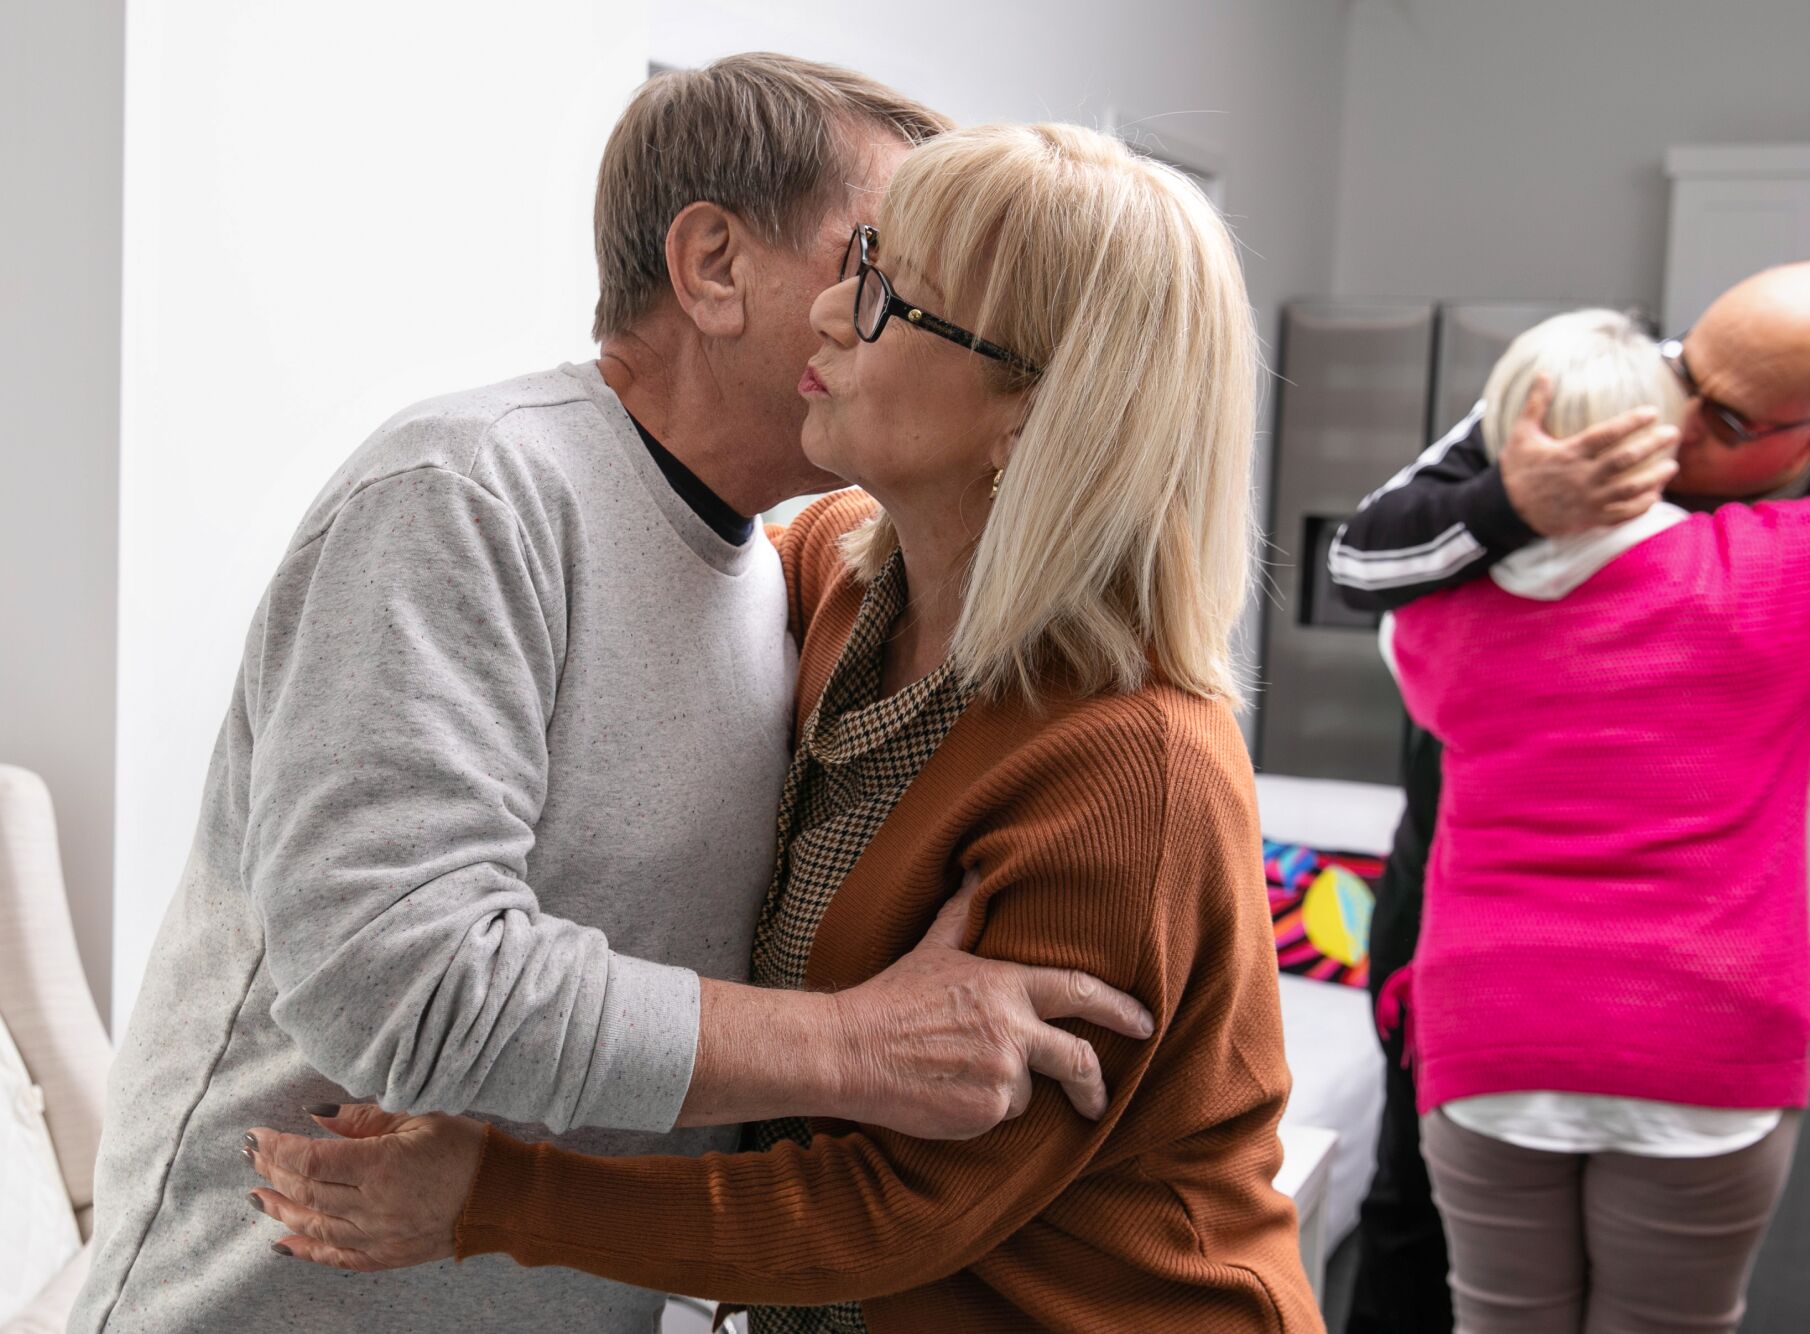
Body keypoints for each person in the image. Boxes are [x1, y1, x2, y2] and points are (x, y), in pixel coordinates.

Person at [73, 58, 1156, 1334]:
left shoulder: (786, 573)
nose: (878, 314)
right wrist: (854, 1044)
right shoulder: (466, 494)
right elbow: (402, 984)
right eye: (870, 262)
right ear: (709, 266)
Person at [242, 120, 1324, 1332]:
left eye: (884, 295)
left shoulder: (1132, 770)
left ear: (1029, 410)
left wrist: (491, 1192)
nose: (827, 312)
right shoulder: (834, 583)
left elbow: (899, 1204)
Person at [1329, 262, 1810, 1334]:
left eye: (1722, 412)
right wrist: (1508, 499)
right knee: (1409, 1233)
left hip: (1564, 1006)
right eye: (1678, 378)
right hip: (1475, 971)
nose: (1674, 431)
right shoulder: (1767, 551)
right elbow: (1357, 556)